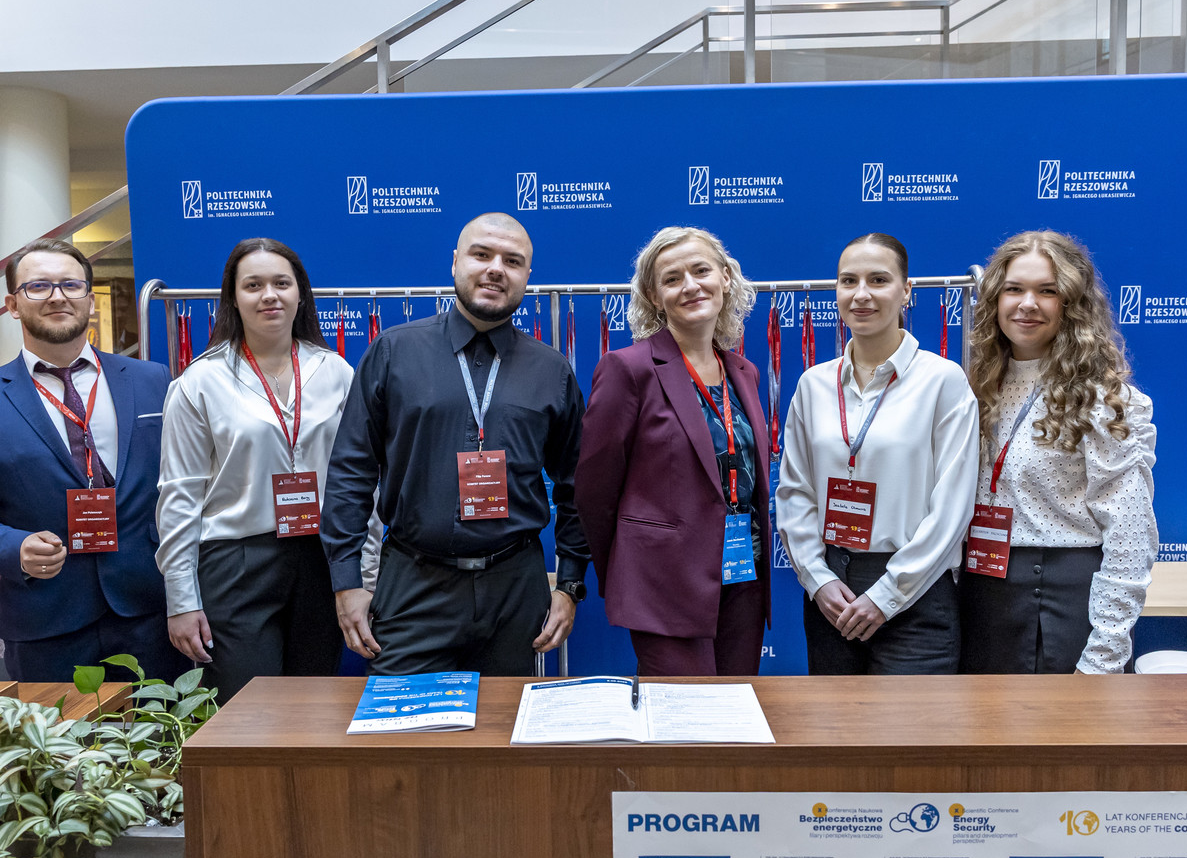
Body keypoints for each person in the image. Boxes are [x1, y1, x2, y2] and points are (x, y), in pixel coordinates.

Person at [321, 212, 590, 675]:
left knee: (505, 720)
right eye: (481, 254)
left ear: (527, 275)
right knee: (399, 719)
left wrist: (568, 584)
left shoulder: (552, 371)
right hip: (414, 583)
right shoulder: (393, 352)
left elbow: (577, 487)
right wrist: (347, 582)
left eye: (512, 261)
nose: (495, 269)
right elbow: (351, 471)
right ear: (455, 262)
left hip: (515, 589)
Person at [0, 237, 187, 683]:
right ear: (12, 305)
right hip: (46, 622)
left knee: (164, 728)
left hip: (151, 612)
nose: (57, 296)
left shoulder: (152, 380)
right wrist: (13, 548)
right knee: (61, 733)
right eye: (38, 286)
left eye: (71, 284)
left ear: (90, 298)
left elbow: (185, 486)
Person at [156, 238, 378, 704]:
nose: (269, 295)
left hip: (322, 560)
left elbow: (363, 484)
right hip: (236, 563)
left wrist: (366, 575)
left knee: (315, 706)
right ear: (234, 298)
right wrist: (182, 598)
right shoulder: (201, 381)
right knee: (246, 710)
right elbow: (179, 496)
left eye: (281, 283)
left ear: (301, 295)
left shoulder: (336, 372)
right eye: (253, 285)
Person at [775, 233, 978, 675]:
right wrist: (817, 579)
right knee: (833, 721)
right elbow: (794, 492)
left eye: (879, 280)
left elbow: (953, 507)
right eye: (849, 281)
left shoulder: (943, 381)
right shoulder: (813, 384)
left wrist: (887, 596)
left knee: (907, 723)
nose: (861, 294)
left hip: (916, 593)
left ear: (906, 291)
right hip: (832, 594)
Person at [959, 230, 1157, 675]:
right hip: (982, 591)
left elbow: (1129, 535)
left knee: (1066, 722)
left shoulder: (1103, 401)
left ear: (1072, 304)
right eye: (1014, 289)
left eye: (1047, 291)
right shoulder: (974, 388)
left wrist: (1105, 650)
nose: (1027, 304)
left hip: (1063, 600)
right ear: (994, 300)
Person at [575, 227, 770, 675]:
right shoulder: (628, 369)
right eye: (672, 278)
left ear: (725, 278)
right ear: (654, 296)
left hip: (743, 576)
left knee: (734, 709)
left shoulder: (744, 372)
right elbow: (594, 492)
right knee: (683, 713)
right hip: (665, 584)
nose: (690, 286)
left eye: (701, 271)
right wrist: (631, 570)